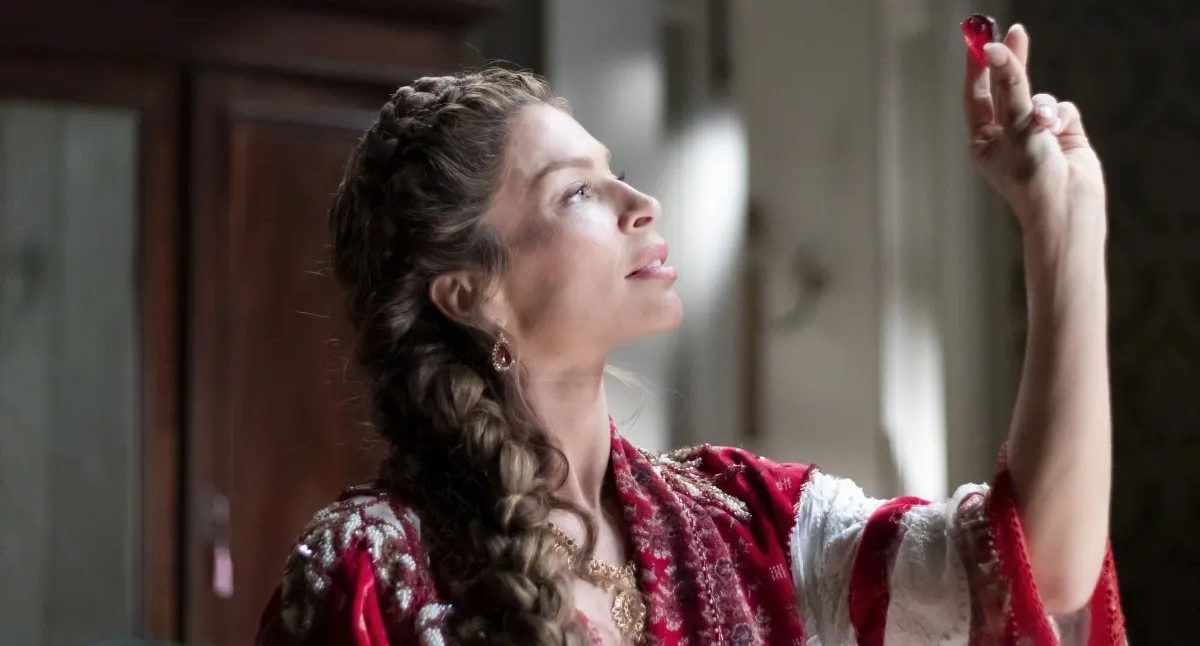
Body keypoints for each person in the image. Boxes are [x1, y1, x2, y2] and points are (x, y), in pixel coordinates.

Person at [256, 23, 1124, 646]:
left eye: (617, 174)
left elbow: (1034, 571)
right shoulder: (368, 569)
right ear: (470, 294)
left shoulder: (748, 519)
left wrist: (1064, 227)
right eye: (576, 192)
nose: (642, 204)